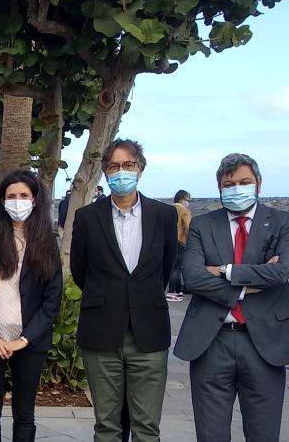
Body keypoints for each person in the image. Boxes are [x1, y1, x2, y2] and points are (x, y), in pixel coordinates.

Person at [173, 154, 289, 442]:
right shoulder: (203, 225)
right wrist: (245, 286)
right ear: (219, 187)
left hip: (265, 343)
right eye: (229, 184)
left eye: (244, 182)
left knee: (263, 434)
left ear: (258, 184)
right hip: (211, 340)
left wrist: (223, 271)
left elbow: (280, 272)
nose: (236, 188)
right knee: (211, 434)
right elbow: (191, 277)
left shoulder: (284, 222)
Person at [70, 139, 178, 442]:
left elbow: (166, 267)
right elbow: (81, 271)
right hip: (101, 332)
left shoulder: (164, 216)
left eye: (128, 165)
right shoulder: (87, 217)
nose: (121, 171)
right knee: (107, 426)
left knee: (146, 427)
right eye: (114, 166)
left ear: (140, 169)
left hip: (149, 333)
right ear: (105, 172)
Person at [0, 170, 63, 442]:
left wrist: (25, 339)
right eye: (11, 196)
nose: (17, 202)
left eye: (23, 196)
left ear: (35, 200)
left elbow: (52, 300)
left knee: (24, 413)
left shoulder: (47, 243)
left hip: (29, 341)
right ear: (2, 201)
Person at [165, 190, 192, 302]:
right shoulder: (184, 211)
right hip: (180, 242)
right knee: (177, 268)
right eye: (188, 200)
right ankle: (172, 291)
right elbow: (187, 226)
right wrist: (191, 240)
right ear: (182, 199)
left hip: (166, 241)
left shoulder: (167, 210)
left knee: (171, 266)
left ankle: (178, 288)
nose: (188, 202)